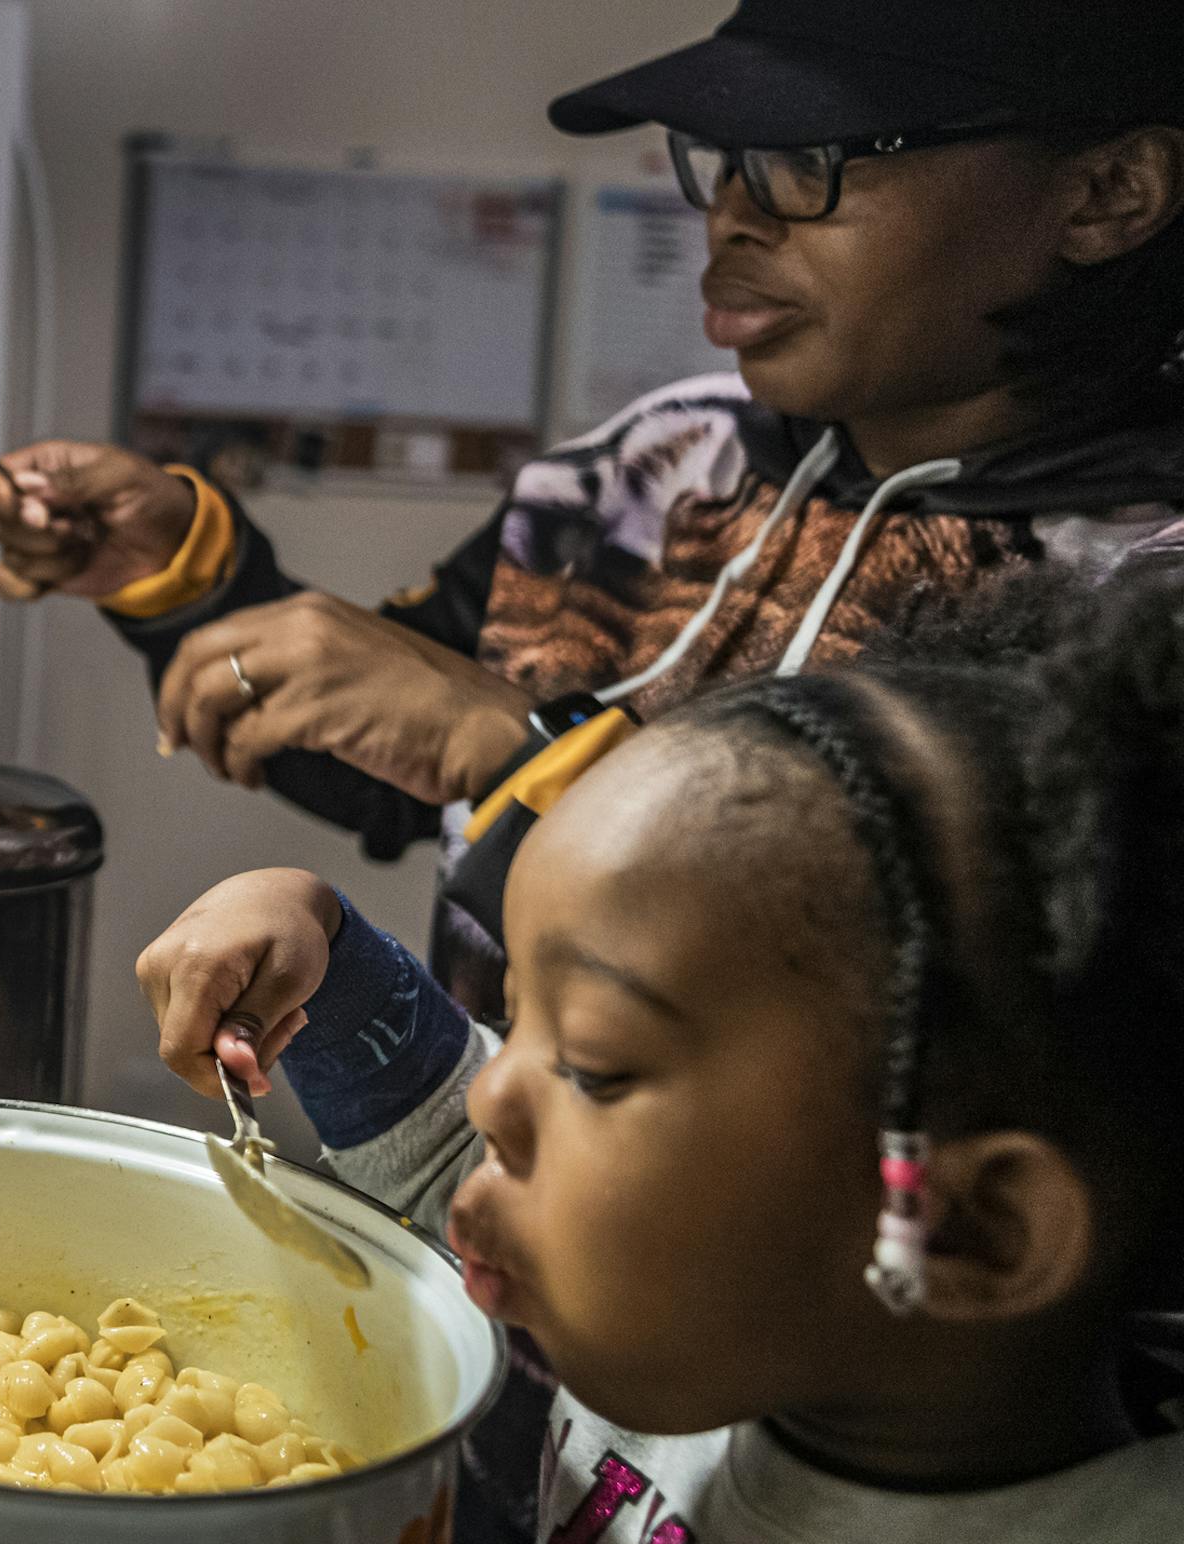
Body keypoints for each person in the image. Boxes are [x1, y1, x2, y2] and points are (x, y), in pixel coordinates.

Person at [0, 0, 1184, 1024]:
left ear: (1108, 194)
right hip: (487, 1206)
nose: (732, 215)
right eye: (721, 158)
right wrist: (190, 577)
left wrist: (529, 754)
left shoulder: (1145, 592)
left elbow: (970, 1010)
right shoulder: (656, 463)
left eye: (813, 158)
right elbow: (404, 749)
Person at [135, 565, 1184, 1543]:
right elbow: (447, 1145)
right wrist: (321, 944)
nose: (495, 1088)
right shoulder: (721, 1315)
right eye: (519, 1016)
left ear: (971, 1225)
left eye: (591, 1065)